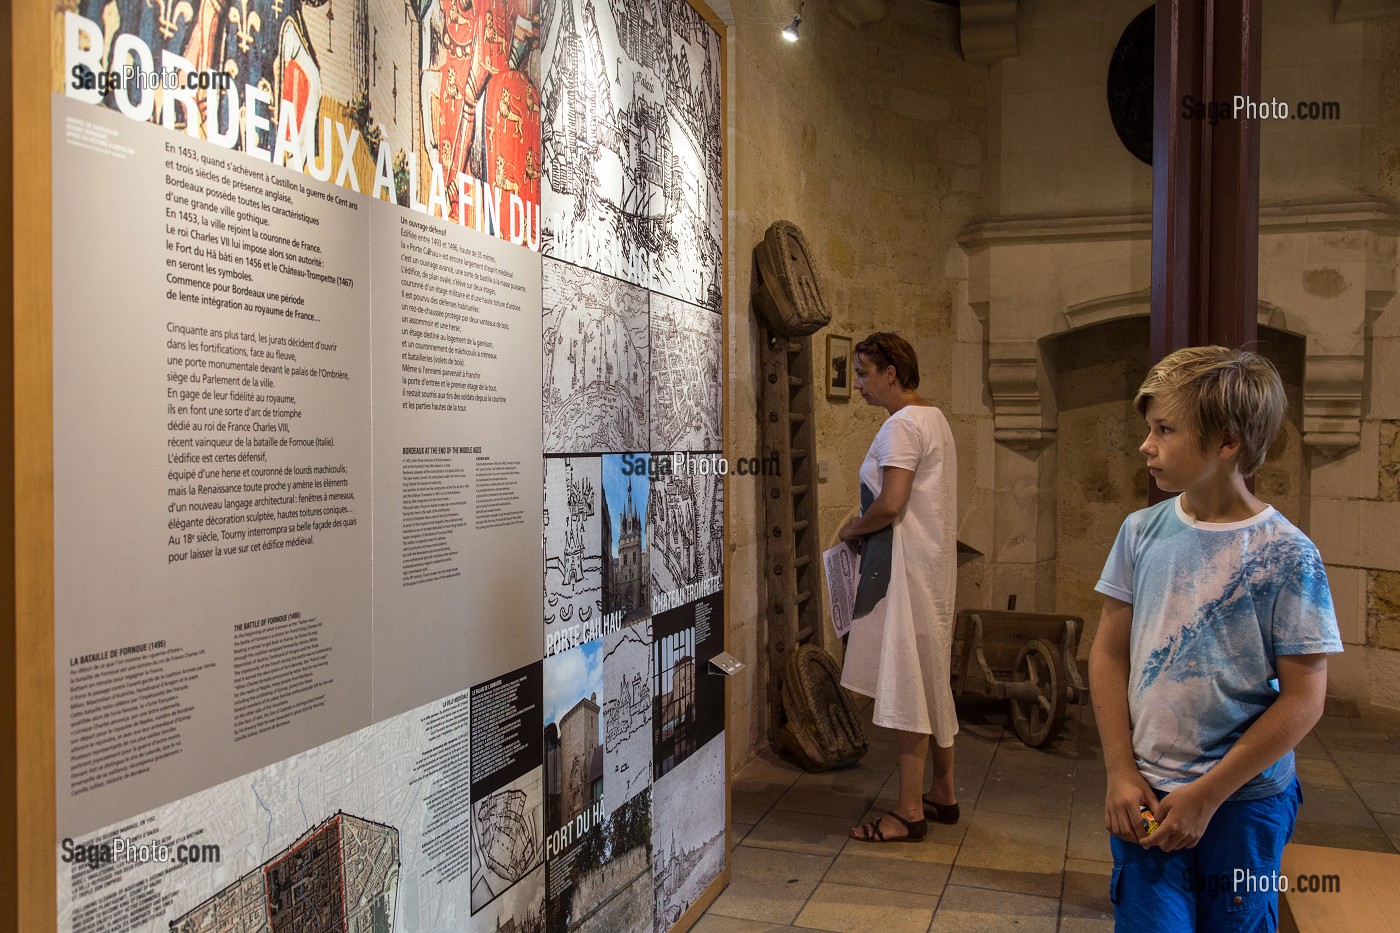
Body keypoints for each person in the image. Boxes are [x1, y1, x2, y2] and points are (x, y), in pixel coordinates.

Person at [1089, 346, 1342, 932]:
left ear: (1227, 442)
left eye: (1165, 430)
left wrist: (1208, 794)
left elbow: (1305, 697)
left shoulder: (1288, 554)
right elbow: (1107, 652)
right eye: (1148, 428)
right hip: (1148, 793)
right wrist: (1120, 772)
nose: (1145, 445)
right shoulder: (1140, 532)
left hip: (1245, 805)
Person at [838, 332, 959, 843]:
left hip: (904, 571)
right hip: (929, 566)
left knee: (909, 681)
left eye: (865, 373)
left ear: (892, 372)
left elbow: (890, 504)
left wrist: (850, 530)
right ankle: (944, 793)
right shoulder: (934, 417)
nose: (860, 383)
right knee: (932, 676)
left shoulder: (901, 425)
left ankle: (909, 811)